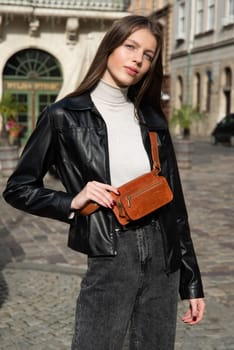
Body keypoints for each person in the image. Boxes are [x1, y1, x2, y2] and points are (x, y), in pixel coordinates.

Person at [3, 15, 205, 350]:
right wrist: (71, 201)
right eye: (131, 46)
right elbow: (18, 188)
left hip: (162, 255)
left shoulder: (152, 119)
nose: (138, 59)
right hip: (111, 249)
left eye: (149, 55)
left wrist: (192, 283)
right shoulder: (63, 115)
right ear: (110, 46)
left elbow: (176, 206)